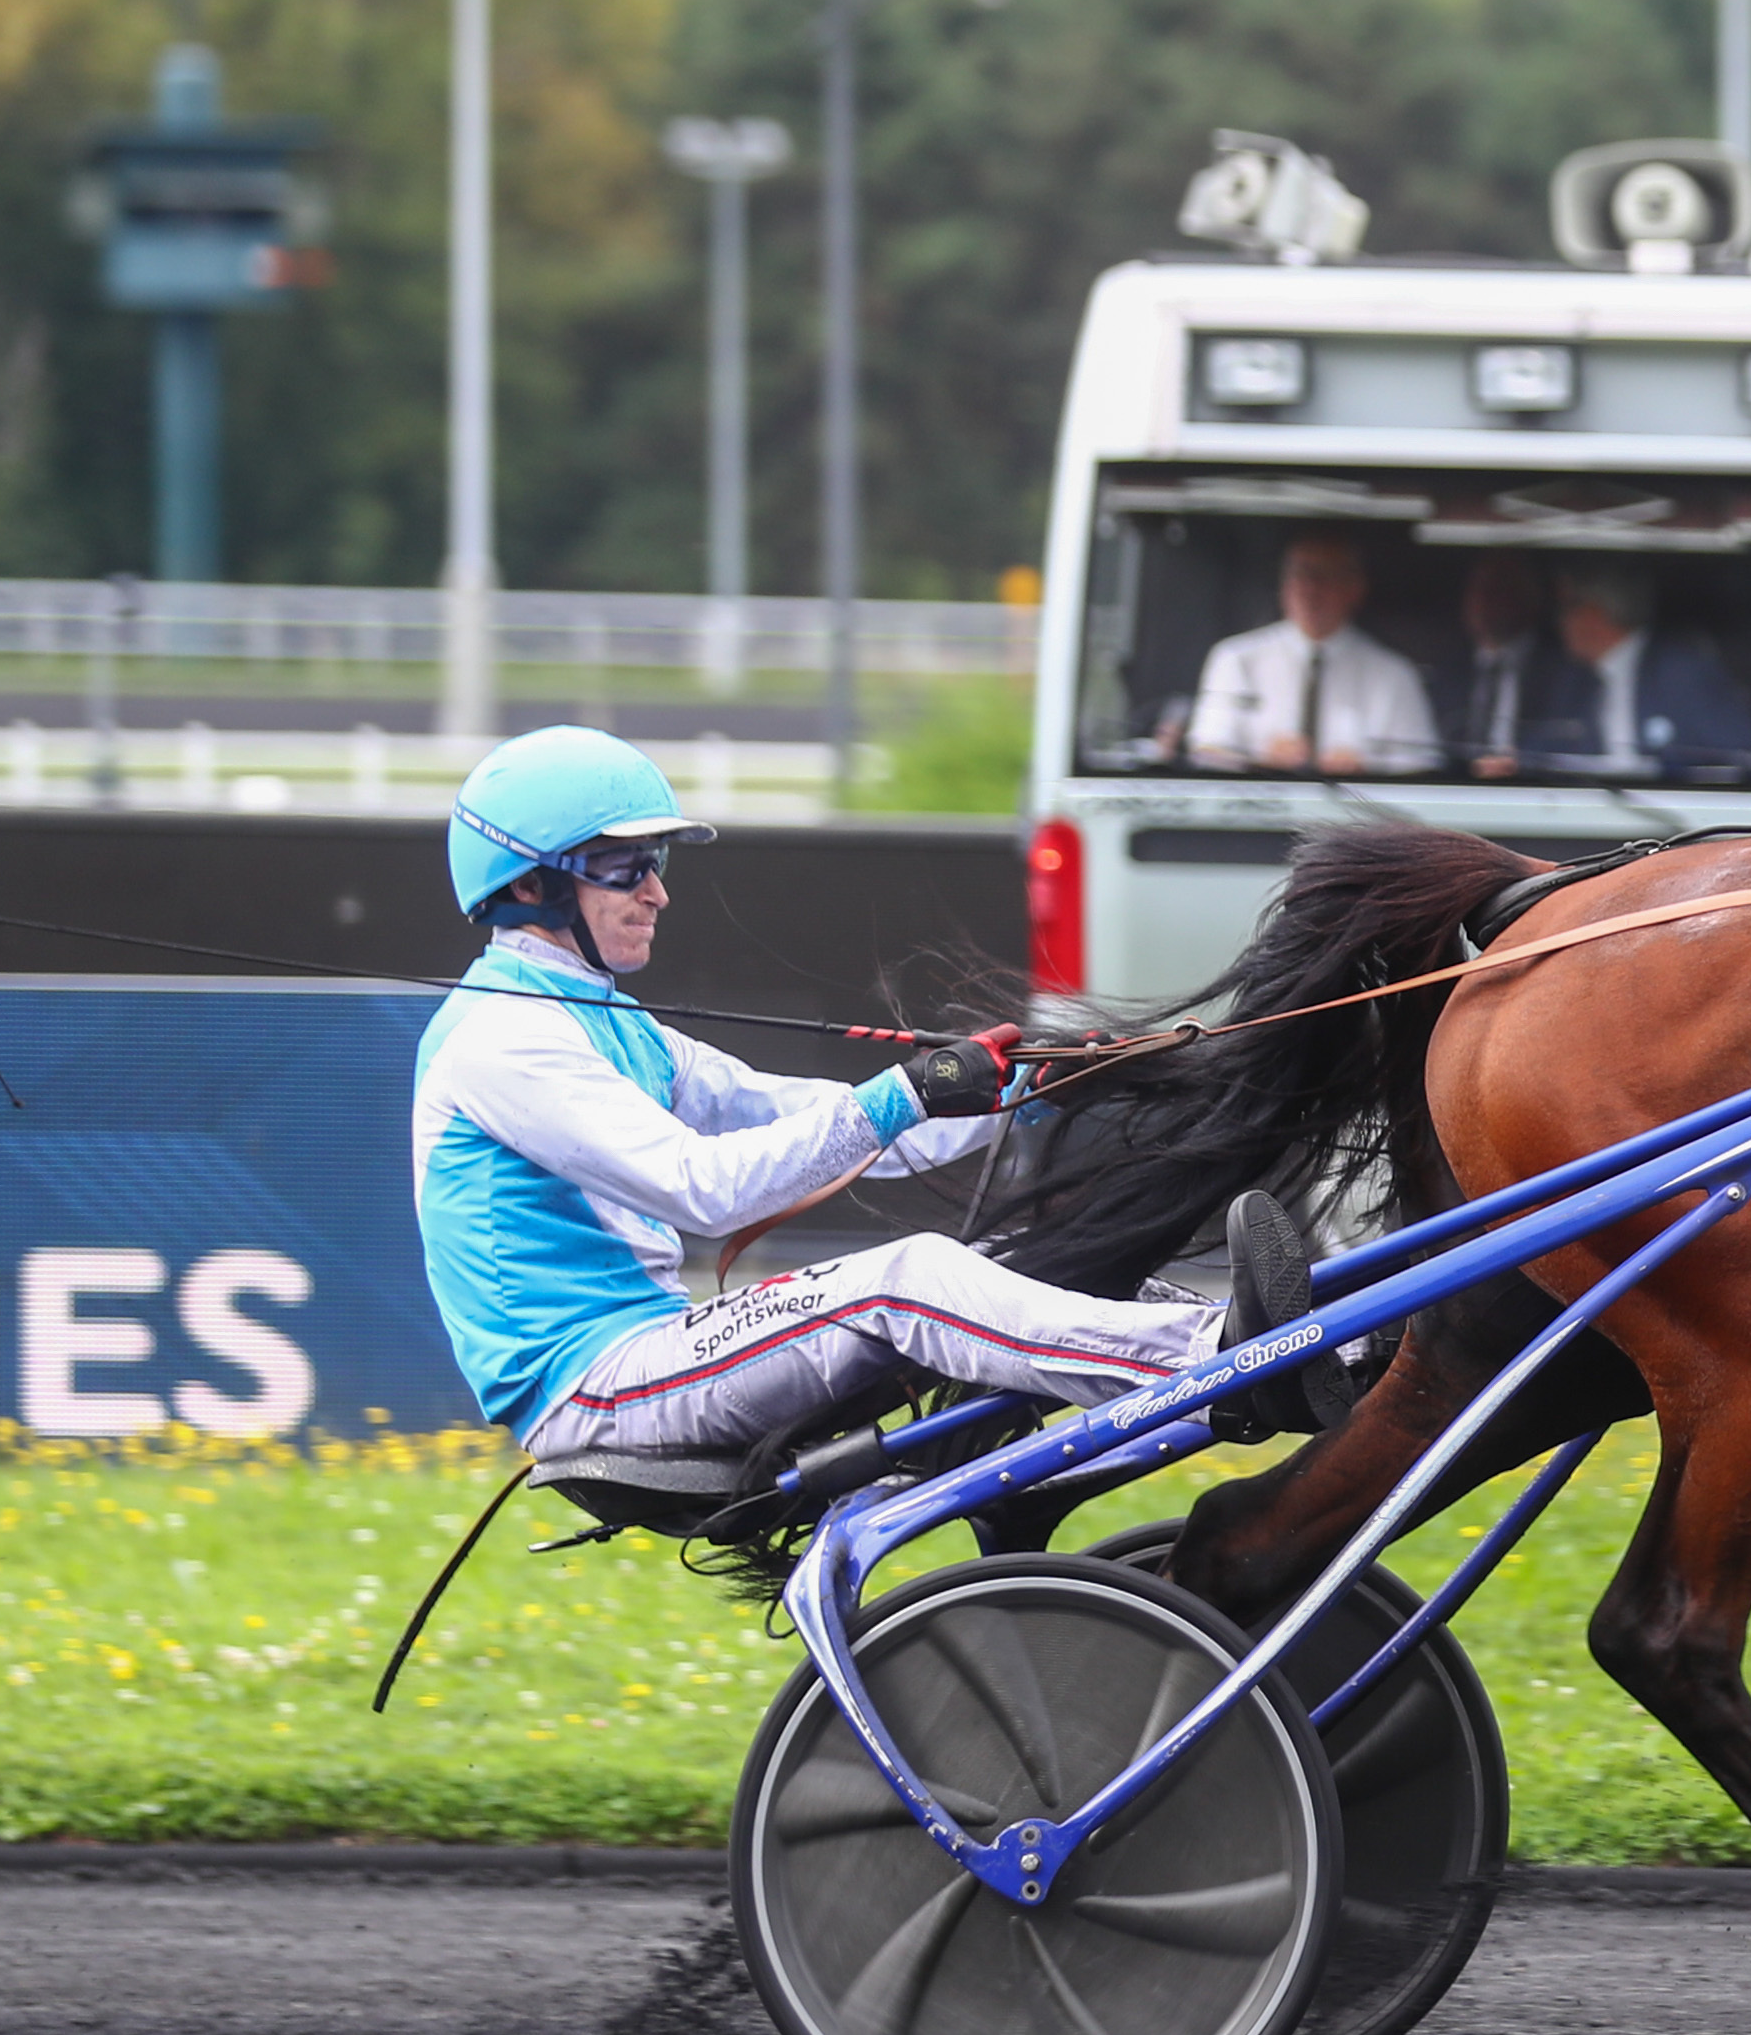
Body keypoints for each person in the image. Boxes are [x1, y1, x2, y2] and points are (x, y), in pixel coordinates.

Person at [410, 728, 1342, 1492]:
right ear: (528, 885)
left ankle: (1341, 1334)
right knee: (905, 1278)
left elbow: (816, 1123)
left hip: (650, 1356)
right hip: (595, 1387)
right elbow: (707, 1191)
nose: (658, 890)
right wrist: (902, 1093)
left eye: (654, 863)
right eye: (624, 867)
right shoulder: (502, 1040)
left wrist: (1021, 1091)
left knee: (1019, 1264)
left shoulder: (606, 1017)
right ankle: (1219, 1356)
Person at [1183, 532, 1439, 776]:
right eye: (1300, 573)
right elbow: (1205, 752)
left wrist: (1367, 771)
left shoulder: (1394, 674)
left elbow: (1421, 767)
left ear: (1355, 588)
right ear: (1283, 585)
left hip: (1359, 818)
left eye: (1325, 576)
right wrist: (1260, 761)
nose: (1310, 588)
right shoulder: (1235, 658)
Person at [1522, 561, 1751, 776]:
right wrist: (1517, 764)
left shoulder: (1679, 671)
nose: (1560, 621)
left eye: (1568, 607)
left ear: (1596, 612)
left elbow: (1743, 757)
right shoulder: (1575, 680)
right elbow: (1549, 747)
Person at [1449, 551, 1560, 777]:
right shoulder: (1448, 672)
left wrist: (1522, 761)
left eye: (1499, 590)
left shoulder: (1563, 671)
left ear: (1531, 596)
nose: (1486, 600)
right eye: (1479, 589)